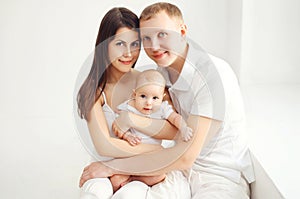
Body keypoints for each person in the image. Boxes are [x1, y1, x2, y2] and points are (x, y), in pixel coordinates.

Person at [80, 2, 255, 199]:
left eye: (162, 34)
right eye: (146, 38)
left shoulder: (213, 74)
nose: (154, 46)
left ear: (182, 32)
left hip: (218, 176)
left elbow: (185, 154)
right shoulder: (160, 74)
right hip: (176, 170)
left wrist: (111, 166)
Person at [77, 6, 190, 199]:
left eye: (135, 44)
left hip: (141, 169)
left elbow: (172, 130)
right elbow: (104, 146)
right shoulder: (94, 90)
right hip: (105, 162)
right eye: (120, 44)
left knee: (131, 195)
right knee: (95, 193)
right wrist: (155, 149)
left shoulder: (148, 81)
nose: (129, 53)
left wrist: (132, 120)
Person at [116, 69, 193, 146]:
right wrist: (127, 136)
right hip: (134, 148)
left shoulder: (162, 108)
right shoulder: (127, 107)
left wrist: (183, 128)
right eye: (143, 96)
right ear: (134, 94)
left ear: (162, 98)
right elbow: (117, 125)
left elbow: (175, 118)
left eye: (155, 98)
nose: (148, 103)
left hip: (154, 149)